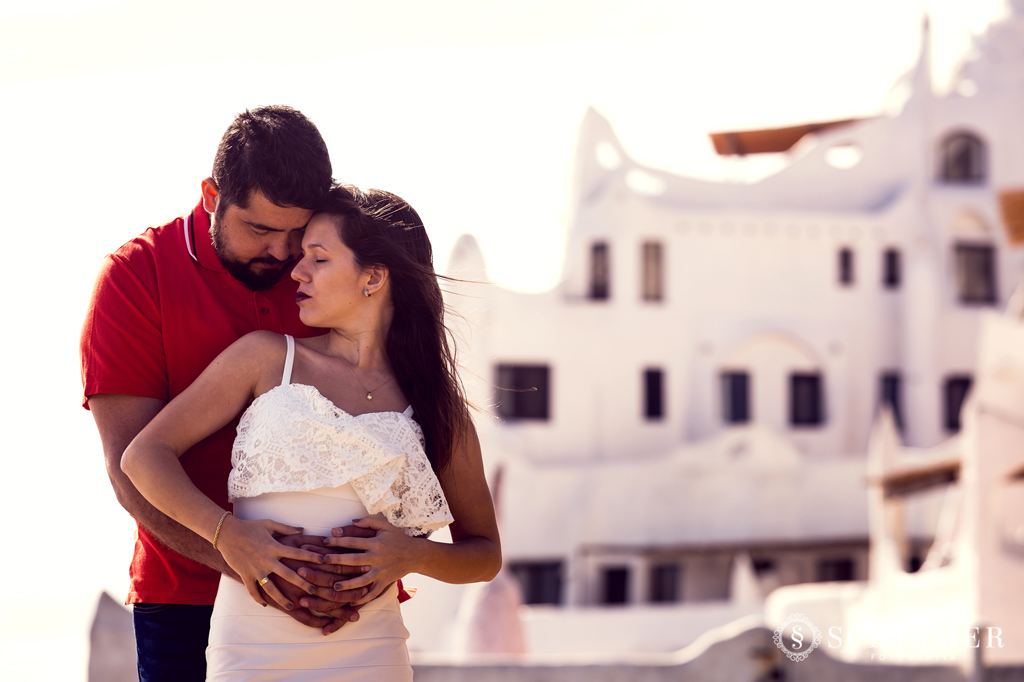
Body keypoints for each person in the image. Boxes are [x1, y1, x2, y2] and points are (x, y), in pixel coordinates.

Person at [121, 186, 501, 680]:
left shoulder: (434, 400)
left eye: (317, 259)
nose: (296, 272)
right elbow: (143, 456)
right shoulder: (265, 358)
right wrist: (227, 535)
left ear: (373, 277)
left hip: (372, 652)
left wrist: (413, 554)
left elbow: (485, 553)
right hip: (252, 648)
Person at [81, 106, 373, 682]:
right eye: (260, 230)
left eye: (298, 233)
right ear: (212, 195)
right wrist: (244, 558)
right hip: (186, 603)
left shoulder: (331, 271)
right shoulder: (136, 278)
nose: (283, 253)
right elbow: (127, 469)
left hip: (340, 602)